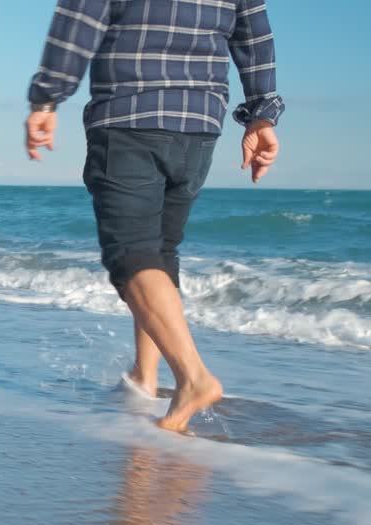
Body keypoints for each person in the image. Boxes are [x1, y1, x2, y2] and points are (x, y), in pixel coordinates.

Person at [25, 0, 283, 432]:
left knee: (131, 256)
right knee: (159, 254)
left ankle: (193, 378)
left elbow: (78, 22)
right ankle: (145, 379)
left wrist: (47, 98)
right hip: (199, 125)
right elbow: (254, 36)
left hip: (129, 117)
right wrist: (262, 115)